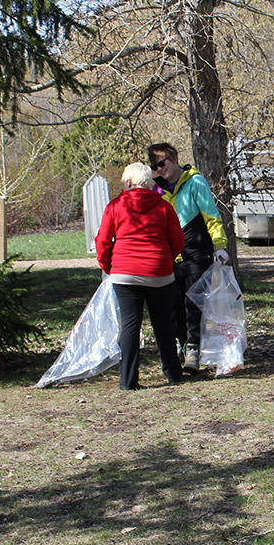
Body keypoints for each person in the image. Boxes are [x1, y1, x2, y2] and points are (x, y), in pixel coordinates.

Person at [95, 162, 185, 390]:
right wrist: (164, 259)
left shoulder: (115, 206)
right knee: (163, 322)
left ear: (128, 183)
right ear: (148, 184)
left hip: (125, 273)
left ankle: (128, 379)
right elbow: (178, 241)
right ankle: (173, 372)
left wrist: (108, 265)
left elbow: (103, 241)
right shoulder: (164, 207)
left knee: (130, 325)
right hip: (159, 272)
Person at [147, 142, 229, 373]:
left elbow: (211, 216)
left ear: (173, 158)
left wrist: (220, 245)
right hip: (170, 256)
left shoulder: (195, 182)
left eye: (162, 163)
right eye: (155, 167)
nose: (160, 169)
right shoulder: (157, 190)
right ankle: (180, 345)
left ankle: (194, 350)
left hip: (196, 252)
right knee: (173, 305)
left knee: (194, 303)